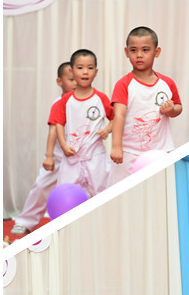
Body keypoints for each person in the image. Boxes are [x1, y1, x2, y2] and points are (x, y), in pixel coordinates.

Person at [108, 26, 182, 186]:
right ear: (126, 52)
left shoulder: (167, 83)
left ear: (157, 52)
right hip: (129, 153)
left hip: (161, 151)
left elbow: (178, 107)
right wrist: (116, 146)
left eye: (145, 50)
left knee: (160, 190)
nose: (139, 55)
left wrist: (171, 110)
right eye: (133, 50)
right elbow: (118, 115)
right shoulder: (123, 84)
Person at [12, 62, 76, 237]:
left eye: (77, 79)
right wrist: (49, 156)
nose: (75, 83)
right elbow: (53, 130)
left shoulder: (87, 100)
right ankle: (25, 221)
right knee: (40, 187)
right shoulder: (58, 103)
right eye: (71, 79)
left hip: (80, 158)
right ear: (59, 81)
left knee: (88, 189)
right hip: (58, 157)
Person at [52, 49, 113, 196]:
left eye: (90, 68)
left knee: (102, 194)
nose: (85, 72)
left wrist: (107, 130)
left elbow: (115, 118)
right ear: (72, 71)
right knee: (65, 194)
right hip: (71, 157)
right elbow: (59, 123)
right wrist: (64, 145)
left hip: (96, 157)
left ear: (96, 72)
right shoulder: (66, 100)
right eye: (80, 68)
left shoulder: (101, 98)